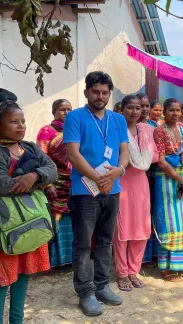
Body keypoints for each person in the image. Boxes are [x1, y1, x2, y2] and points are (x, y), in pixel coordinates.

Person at [0, 101, 58, 323]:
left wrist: (34, 177)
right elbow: (1, 186)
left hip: (31, 224)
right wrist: (37, 179)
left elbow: (52, 170)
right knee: (2, 280)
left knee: (24, 275)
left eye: (23, 121)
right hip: (3, 227)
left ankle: (17, 321)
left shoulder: (29, 148)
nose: (21, 126)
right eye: (14, 121)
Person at [64, 71, 129, 316]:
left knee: (105, 241)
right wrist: (97, 177)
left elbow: (124, 151)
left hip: (112, 189)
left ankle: (102, 286)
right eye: (95, 92)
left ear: (109, 94)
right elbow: (73, 154)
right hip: (84, 191)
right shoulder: (75, 117)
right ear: (86, 92)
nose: (100, 96)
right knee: (83, 245)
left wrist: (118, 171)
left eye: (104, 92)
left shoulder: (118, 120)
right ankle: (85, 292)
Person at [113, 95, 158, 291]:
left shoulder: (147, 130)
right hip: (122, 182)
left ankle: (134, 269)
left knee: (140, 229)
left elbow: (155, 156)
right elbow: (112, 156)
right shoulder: (116, 130)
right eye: (130, 108)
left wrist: (139, 158)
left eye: (138, 108)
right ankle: (122, 272)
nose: (134, 111)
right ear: (122, 109)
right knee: (122, 229)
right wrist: (127, 160)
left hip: (141, 183)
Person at [153, 98, 183, 282]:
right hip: (166, 181)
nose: (175, 114)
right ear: (164, 112)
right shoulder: (160, 131)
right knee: (168, 222)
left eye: (178, 110)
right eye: (171, 110)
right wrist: (181, 180)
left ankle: (182, 263)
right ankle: (165, 266)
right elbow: (161, 162)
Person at [37, 99, 74, 267]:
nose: (66, 113)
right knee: (54, 220)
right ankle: (50, 261)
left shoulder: (75, 129)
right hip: (55, 183)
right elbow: (41, 159)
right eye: (62, 109)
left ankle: (69, 259)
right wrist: (47, 184)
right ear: (54, 112)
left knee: (72, 221)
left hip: (74, 183)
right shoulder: (46, 131)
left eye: (69, 109)